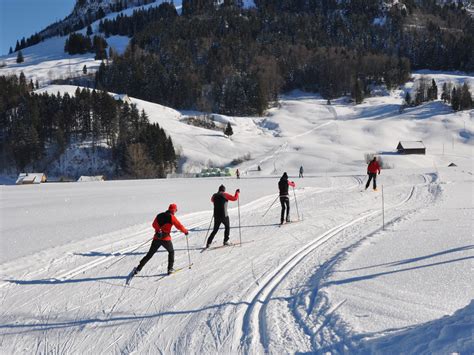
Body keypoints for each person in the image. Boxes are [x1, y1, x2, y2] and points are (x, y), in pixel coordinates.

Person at [130, 204, 189, 276]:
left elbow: (153, 224)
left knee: (150, 254)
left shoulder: (159, 215)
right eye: (176, 210)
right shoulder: (172, 217)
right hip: (166, 239)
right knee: (171, 252)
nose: (176, 211)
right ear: (173, 210)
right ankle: (170, 269)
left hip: (157, 238)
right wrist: (185, 231)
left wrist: (159, 230)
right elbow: (179, 226)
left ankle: (138, 269)